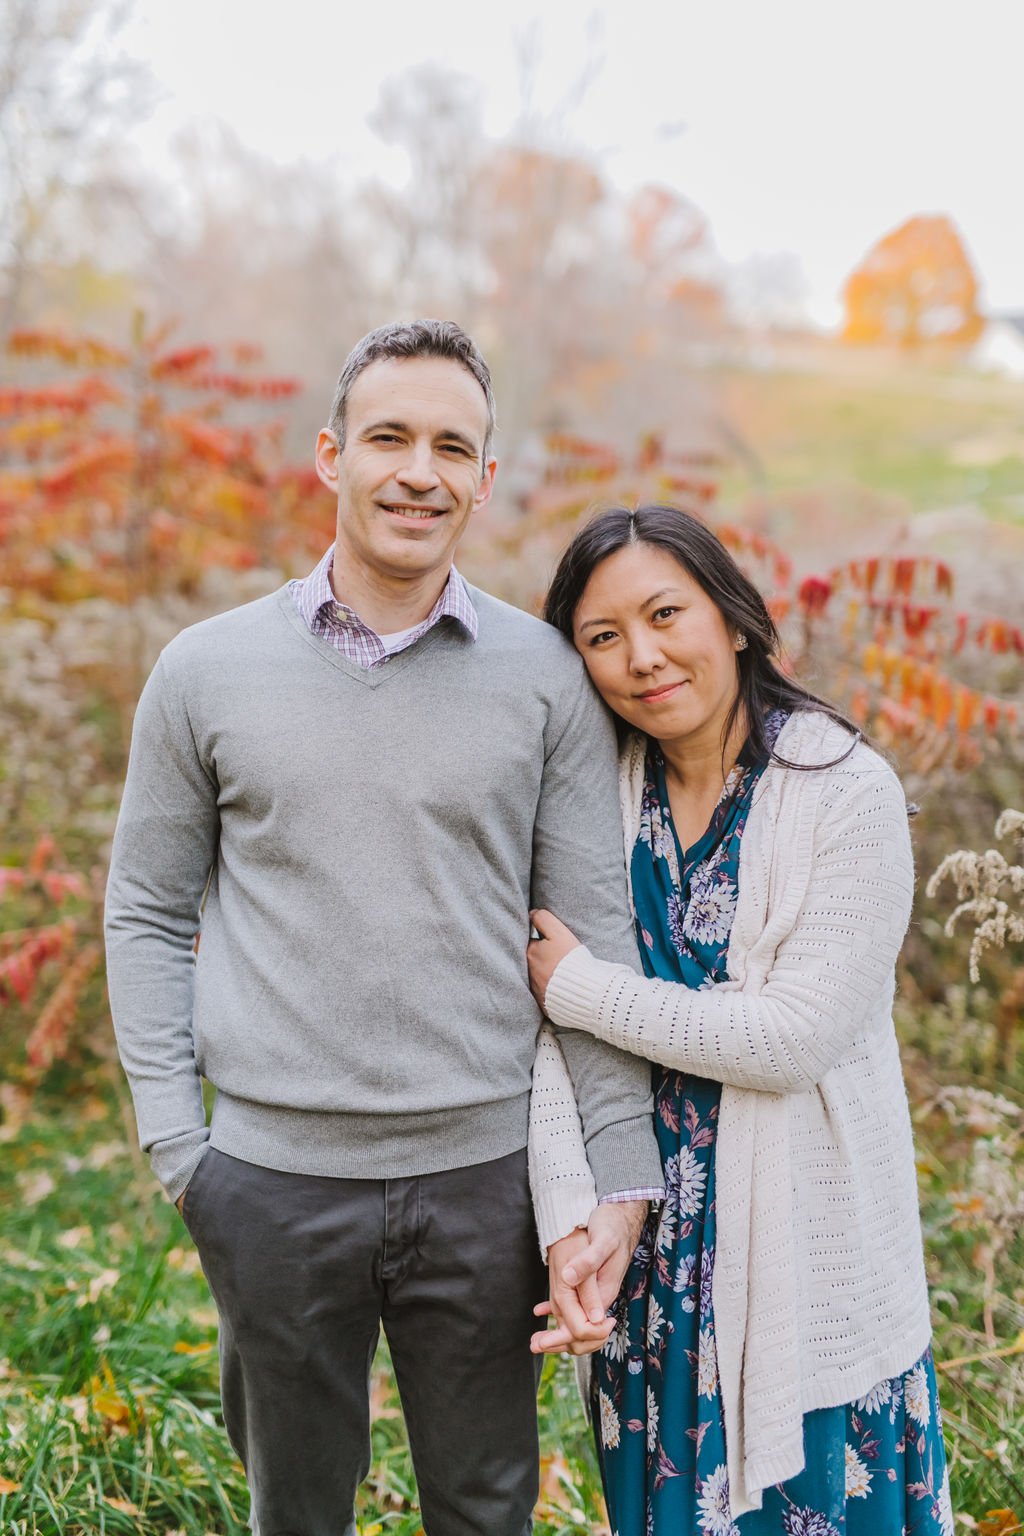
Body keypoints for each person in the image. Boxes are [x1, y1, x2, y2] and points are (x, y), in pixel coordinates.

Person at [104, 320, 665, 1536]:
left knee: (483, 1506)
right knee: (295, 1512)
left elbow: (593, 942)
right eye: (390, 438)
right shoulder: (204, 672)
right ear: (329, 455)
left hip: (483, 1183)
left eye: (450, 446)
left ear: (483, 479)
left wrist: (618, 1179)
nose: (420, 470)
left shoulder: (542, 675)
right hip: (268, 1182)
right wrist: (177, 1149)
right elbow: (145, 911)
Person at [525, 505, 952, 1536]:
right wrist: (569, 1225)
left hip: (804, 1266)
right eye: (601, 638)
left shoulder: (841, 792)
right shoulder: (595, 798)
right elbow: (549, 1044)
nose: (642, 657)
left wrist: (585, 990)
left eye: (665, 613)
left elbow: (790, 1038)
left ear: (733, 617)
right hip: (649, 1274)